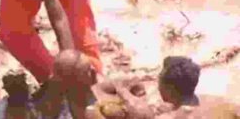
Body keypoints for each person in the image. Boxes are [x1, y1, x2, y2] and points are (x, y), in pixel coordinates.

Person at [90, 56, 240, 119]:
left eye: (159, 79)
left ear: (169, 89)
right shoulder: (222, 103)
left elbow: (139, 113)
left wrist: (121, 89)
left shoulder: (171, 117)